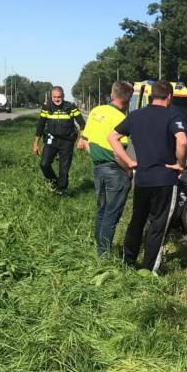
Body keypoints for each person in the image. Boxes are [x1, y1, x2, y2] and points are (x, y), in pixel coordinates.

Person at [108, 80, 187, 274]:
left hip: (142, 179)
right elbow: (183, 141)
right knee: (158, 225)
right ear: (169, 97)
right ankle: (149, 269)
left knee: (137, 221)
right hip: (165, 180)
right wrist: (180, 164)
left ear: (152, 96)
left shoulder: (135, 115)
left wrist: (129, 161)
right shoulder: (172, 114)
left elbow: (112, 137)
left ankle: (128, 261)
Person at [77, 80, 134, 256]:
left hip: (98, 169)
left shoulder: (96, 111)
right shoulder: (121, 119)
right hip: (116, 172)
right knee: (112, 215)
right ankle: (103, 255)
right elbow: (118, 153)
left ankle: (99, 250)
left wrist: (97, 155)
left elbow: (82, 143)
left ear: (112, 94)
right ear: (129, 99)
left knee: (101, 212)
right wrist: (129, 170)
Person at [33, 86, 85, 195]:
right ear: (51, 97)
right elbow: (40, 125)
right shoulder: (47, 107)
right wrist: (36, 144)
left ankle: (61, 191)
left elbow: (82, 124)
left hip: (67, 141)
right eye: (54, 97)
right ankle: (54, 182)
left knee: (64, 169)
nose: (57, 99)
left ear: (63, 96)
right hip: (51, 140)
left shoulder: (70, 107)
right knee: (44, 164)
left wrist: (82, 139)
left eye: (59, 97)